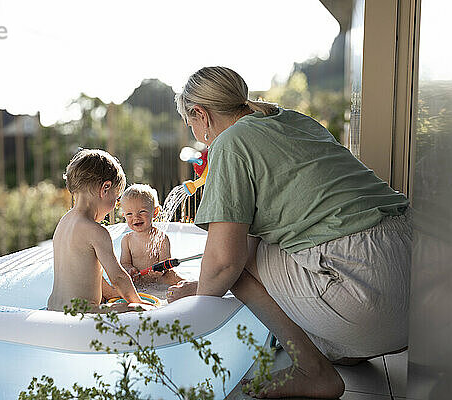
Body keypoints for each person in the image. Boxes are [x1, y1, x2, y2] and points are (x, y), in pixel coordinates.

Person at [168, 66, 411, 398]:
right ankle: (349, 347)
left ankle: (313, 371)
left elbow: (225, 262)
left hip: (366, 291)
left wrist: (197, 304)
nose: (196, 133)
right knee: (248, 248)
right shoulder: (293, 120)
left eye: (191, 124)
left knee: (234, 263)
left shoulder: (231, 142)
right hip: (419, 287)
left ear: (201, 114)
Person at [47, 149, 151, 314]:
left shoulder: (64, 223)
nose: (114, 206)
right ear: (105, 188)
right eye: (116, 198)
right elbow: (118, 277)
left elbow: (85, 272)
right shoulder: (96, 231)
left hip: (52, 310)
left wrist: (113, 295)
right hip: (81, 316)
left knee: (115, 305)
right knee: (129, 309)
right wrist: (139, 304)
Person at [119, 184, 183, 287]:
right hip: (138, 282)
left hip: (159, 280)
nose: (136, 217)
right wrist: (130, 270)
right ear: (124, 215)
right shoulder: (127, 240)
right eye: (129, 214)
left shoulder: (161, 238)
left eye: (142, 211)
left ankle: (190, 287)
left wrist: (161, 271)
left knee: (172, 276)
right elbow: (125, 264)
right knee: (120, 280)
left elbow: (166, 263)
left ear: (155, 212)